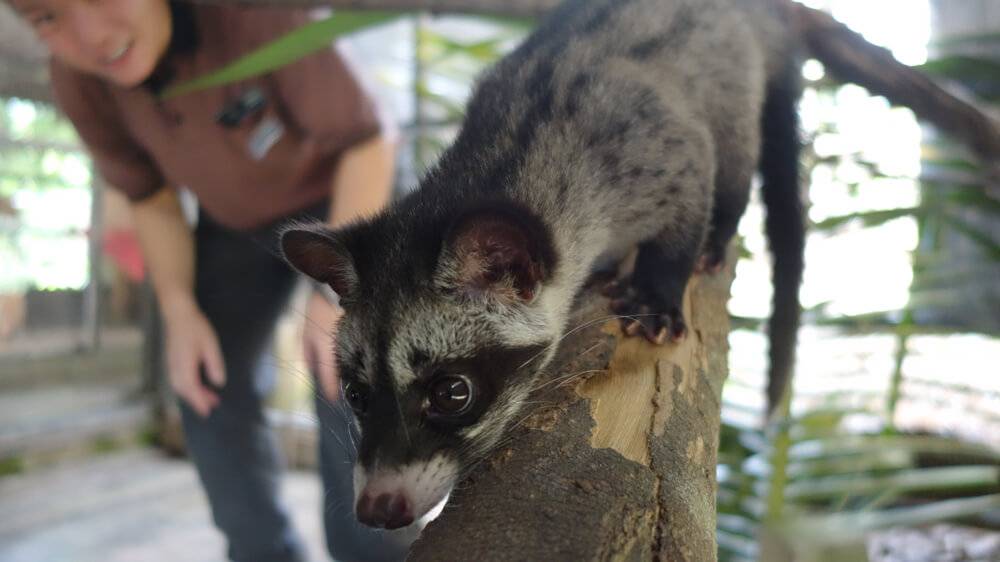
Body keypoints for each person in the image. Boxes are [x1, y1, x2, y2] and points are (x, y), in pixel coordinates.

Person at [9, 0, 416, 560]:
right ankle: (260, 551)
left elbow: (368, 140)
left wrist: (337, 292)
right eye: (46, 18)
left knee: (352, 374)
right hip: (237, 224)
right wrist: (178, 311)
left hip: (352, 199)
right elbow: (149, 198)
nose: (92, 36)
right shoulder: (79, 80)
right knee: (202, 378)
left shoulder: (254, 14)